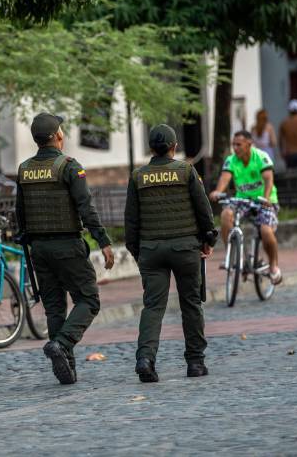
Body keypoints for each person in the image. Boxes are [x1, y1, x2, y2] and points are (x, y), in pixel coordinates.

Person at [15, 113, 114, 385]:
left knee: (54, 307)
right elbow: (86, 207)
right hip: (67, 246)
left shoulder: (24, 169)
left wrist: (27, 238)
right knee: (89, 299)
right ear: (58, 135)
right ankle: (62, 343)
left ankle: (66, 369)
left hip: (39, 249)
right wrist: (103, 241)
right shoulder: (69, 166)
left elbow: (20, 213)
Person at [125, 125, 217, 383]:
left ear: (151, 149)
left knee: (153, 306)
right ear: (174, 146)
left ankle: (145, 359)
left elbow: (130, 221)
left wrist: (137, 252)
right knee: (191, 304)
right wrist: (208, 239)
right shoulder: (186, 171)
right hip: (185, 248)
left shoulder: (137, 176)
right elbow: (203, 210)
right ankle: (196, 363)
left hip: (151, 250)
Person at [209, 131, 283, 285]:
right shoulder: (231, 160)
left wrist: (267, 197)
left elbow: (268, 178)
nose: (235, 148)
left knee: (265, 230)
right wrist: (218, 191)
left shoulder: (261, 157)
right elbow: (225, 177)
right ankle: (233, 257)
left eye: (239, 144)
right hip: (242, 200)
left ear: (249, 144)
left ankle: (274, 266)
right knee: (226, 214)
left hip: (264, 200)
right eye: (233, 144)